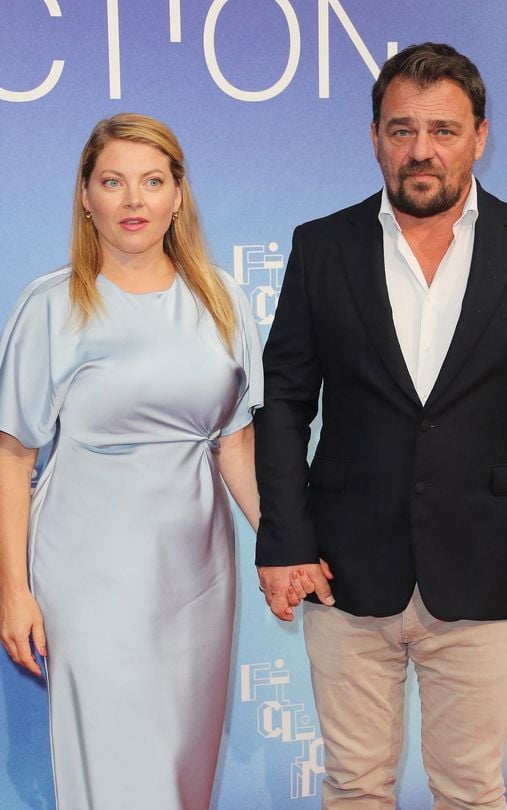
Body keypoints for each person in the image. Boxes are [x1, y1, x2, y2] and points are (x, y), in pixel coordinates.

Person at [254, 42, 507, 809]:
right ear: (374, 138)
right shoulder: (321, 246)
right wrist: (285, 539)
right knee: (355, 786)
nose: (421, 150)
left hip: (482, 562)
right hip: (343, 569)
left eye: (442, 129)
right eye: (401, 130)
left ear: (480, 136)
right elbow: (285, 401)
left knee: (470, 788)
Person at [0, 113, 263, 810]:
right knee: (113, 768)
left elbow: (235, 443)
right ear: (86, 196)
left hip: (198, 577)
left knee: (182, 771)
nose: (134, 201)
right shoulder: (51, 305)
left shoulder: (224, 302)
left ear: (179, 194)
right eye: (113, 182)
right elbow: (12, 456)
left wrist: (289, 546)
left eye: (152, 181)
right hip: (86, 578)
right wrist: (14, 590)